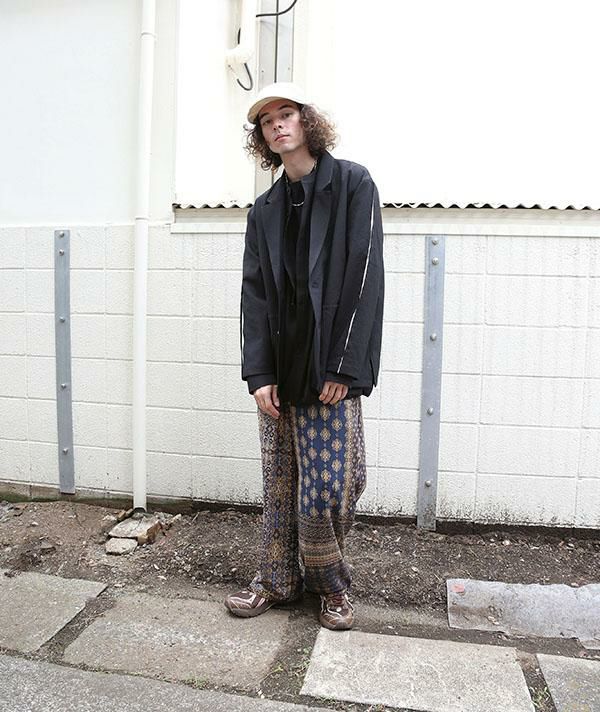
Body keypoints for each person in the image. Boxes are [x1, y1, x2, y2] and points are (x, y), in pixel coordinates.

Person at [224, 82, 384, 630]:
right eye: (267, 120)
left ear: (307, 121)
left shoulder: (352, 184)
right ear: (262, 137)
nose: (277, 124)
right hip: (280, 368)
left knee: (332, 486)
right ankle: (277, 580)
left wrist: (344, 365)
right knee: (280, 486)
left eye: (286, 113)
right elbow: (254, 295)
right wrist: (259, 373)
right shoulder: (265, 209)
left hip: (327, 367)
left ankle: (330, 584)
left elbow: (365, 275)